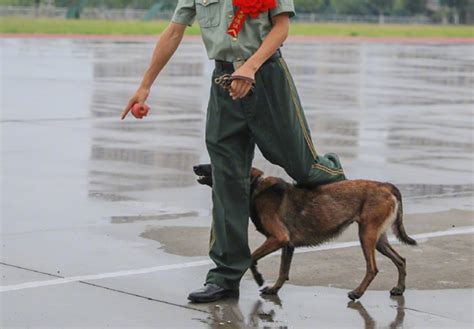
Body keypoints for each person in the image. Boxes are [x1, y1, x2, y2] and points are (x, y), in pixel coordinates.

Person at [121, 0, 346, 303]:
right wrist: (145, 85)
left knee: (302, 167)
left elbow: (281, 27)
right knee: (227, 181)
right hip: (224, 83)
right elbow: (174, 32)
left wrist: (250, 68)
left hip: (267, 78)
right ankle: (225, 277)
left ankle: (338, 174)